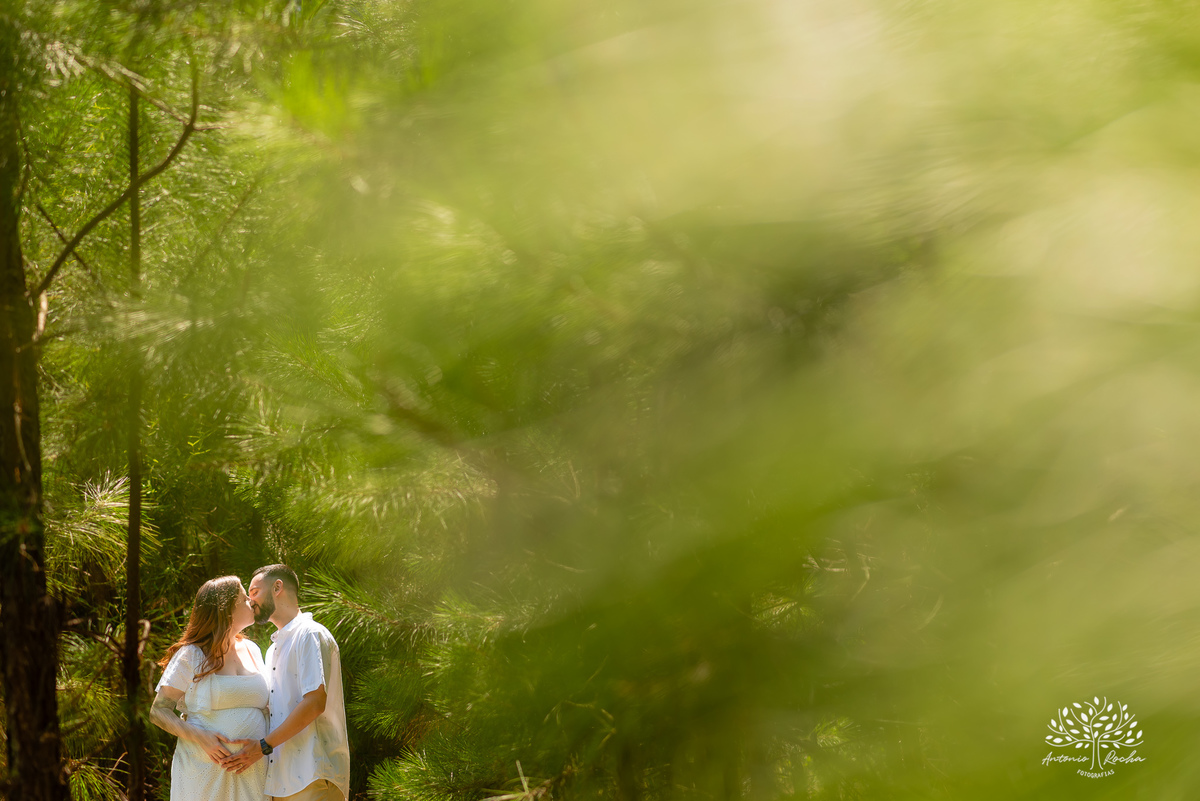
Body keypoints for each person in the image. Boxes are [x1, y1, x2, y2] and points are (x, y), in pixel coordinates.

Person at [220, 564, 350, 801]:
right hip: (281, 781)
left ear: (277, 587)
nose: (250, 600)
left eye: (255, 591)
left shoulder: (309, 634)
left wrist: (262, 746)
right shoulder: (272, 650)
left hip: (313, 775)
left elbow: (314, 703)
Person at [150, 576, 269, 801]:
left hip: (252, 771)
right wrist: (201, 737)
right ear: (226, 609)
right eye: (244, 598)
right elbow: (158, 711)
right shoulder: (192, 654)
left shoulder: (253, 650)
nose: (251, 602)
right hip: (202, 769)